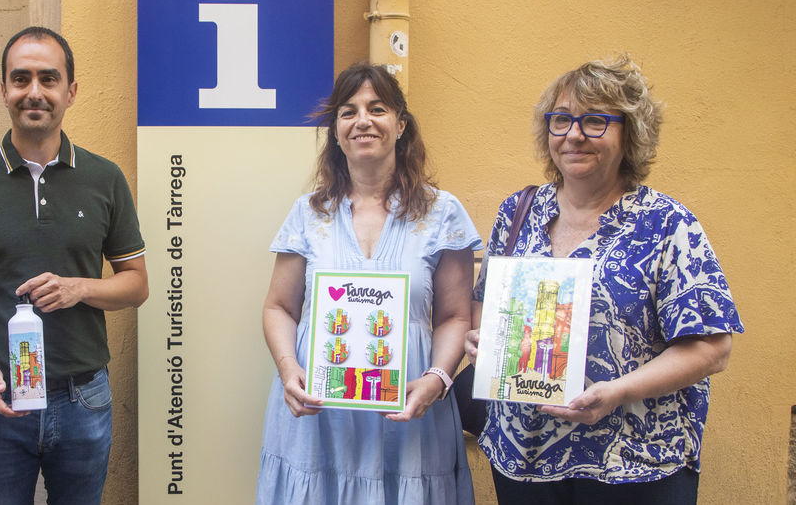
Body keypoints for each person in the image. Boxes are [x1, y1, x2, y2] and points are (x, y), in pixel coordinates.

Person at [465, 56, 743, 504]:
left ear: (629, 133)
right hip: (523, 458)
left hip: (634, 464)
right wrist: (485, 339)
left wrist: (616, 392)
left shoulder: (667, 224)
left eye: (595, 121)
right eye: (561, 120)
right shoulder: (517, 213)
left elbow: (712, 348)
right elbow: (485, 308)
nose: (573, 134)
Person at [0, 26, 148, 505]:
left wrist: (79, 289)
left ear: (70, 91)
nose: (34, 91)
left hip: (83, 398)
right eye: (21, 78)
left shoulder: (105, 178)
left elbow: (136, 286)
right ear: (3, 89)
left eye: (48, 79)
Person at [257, 63, 482, 504]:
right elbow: (278, 308)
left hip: (413, 413)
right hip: (320, 419)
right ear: (336, 131)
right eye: (348, 111)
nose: (363, 120)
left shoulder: (443, 213)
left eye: (377, 108)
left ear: (400, 125)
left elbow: (455, 315)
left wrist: (438, 379)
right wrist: (288, 370)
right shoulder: (309, 213)